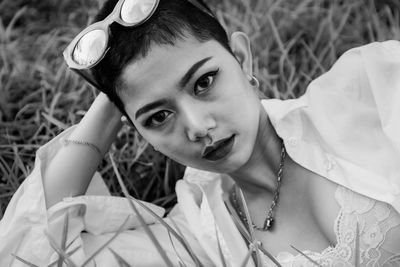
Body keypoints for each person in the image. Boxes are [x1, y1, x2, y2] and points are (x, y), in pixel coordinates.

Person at [1, 0, 400, 266]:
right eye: (157, 118)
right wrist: (112, 101)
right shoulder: (199, 233)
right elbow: (34, 250)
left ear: (242, 59)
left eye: (204, 82)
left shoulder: (365, 93)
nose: (196, 126)